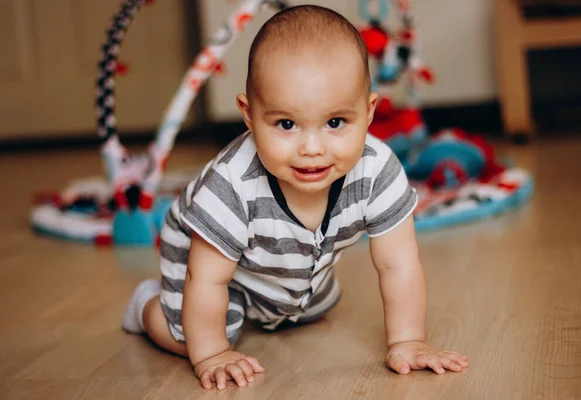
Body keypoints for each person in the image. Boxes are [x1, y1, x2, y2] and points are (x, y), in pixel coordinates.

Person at [121, 5, 468, 390]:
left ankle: (276, 300)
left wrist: (407, 341)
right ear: (249, 115)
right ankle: (147, 307)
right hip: (208, 262)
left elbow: (398, 264)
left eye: (335, 122)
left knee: (313, 305)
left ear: (368, 112)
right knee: (196, 331)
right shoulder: (231, 184)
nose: (312, 148)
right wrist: (213, 353)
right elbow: (204, 279)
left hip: (290, 265)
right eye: (286, 124)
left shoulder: (378, 169)